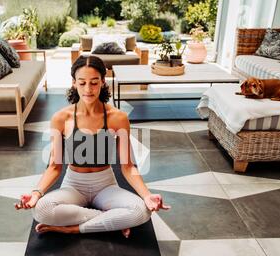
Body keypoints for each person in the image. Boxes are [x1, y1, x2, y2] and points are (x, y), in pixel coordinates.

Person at [15, 55, 170, 238]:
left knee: (141, 211)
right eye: (82, 83)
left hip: (105, 185)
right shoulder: (61, 118)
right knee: (41, 210)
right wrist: (36, 194)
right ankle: (108, 219)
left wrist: (146, 196)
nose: (88, 89)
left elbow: (128, 167)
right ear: (74, 83)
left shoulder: (117, 118)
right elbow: (54, 167)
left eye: (94, 82)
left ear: (103, 82)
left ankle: (74, 228)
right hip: (73, 185)